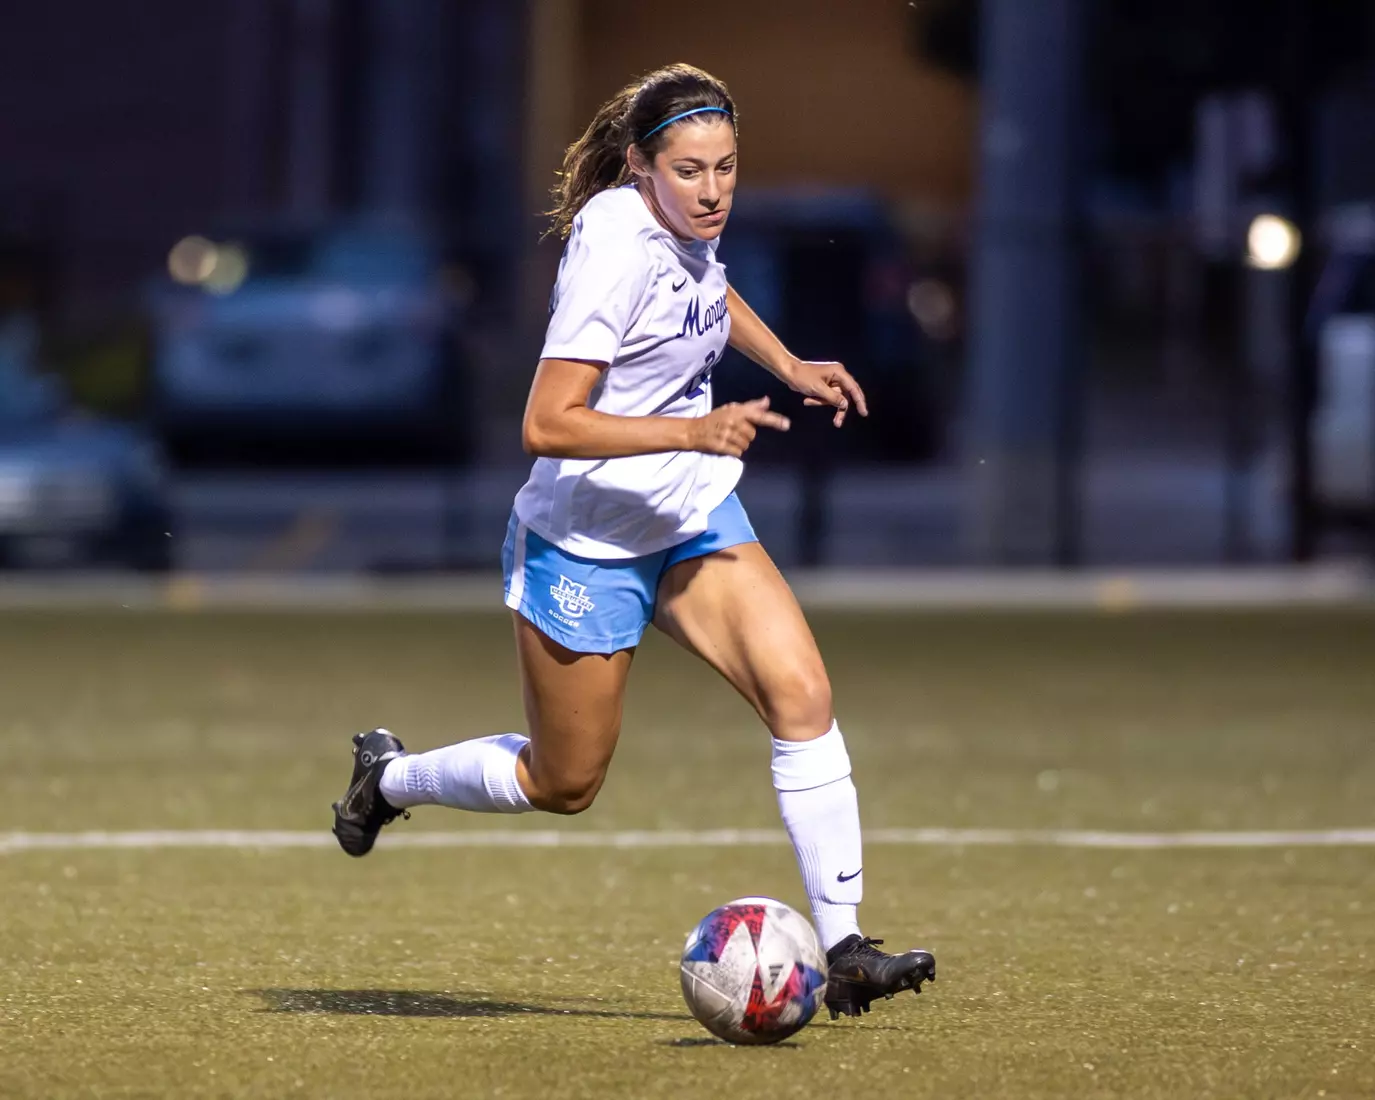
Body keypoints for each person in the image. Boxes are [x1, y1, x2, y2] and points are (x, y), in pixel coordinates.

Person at [332, 62, 935, 1020]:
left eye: (726, 169)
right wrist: (691, 430)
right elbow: (548, 423)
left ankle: (846, 946)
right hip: (584, 541)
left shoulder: (683, 229)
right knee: (563, 781)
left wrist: (787, 365)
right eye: (690, 172)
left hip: (689, 515)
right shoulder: (612, 250)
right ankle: (391, 776)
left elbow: (708, 298)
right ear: (638, 169)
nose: (711, 191)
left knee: (802, 692)